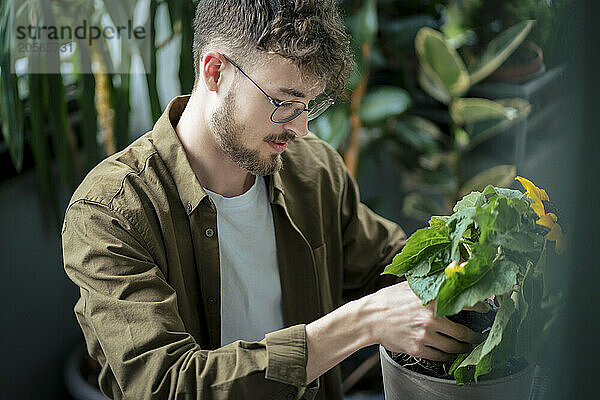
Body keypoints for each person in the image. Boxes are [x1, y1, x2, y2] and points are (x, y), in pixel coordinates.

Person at [61, 1, 484, 399]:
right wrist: (362, 322)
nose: (299, 128)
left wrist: (474, 276)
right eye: (283, 102)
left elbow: (386, 265)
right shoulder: (110, 213)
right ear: (215, 72)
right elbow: (167, 385)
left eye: (308, 106)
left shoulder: (313, 169)